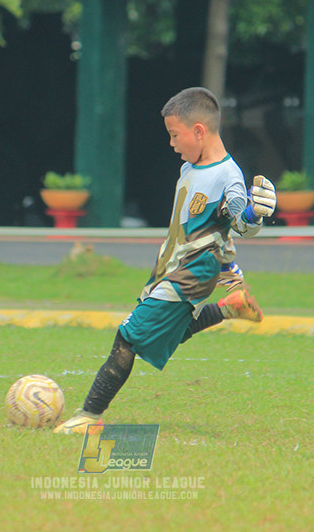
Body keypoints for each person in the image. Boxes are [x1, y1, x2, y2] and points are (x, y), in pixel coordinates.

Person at [55, 86, 276, 435]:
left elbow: (240, 222)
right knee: (166, 331)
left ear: (199, 131)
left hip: (192, 272)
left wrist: (254, 212)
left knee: (128, 337)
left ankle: (89, 417)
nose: (172, 144)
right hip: (172, 266)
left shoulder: (228, 177)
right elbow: (209, 228)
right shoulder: (190, 168)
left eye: (176, 135)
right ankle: (231, 307)